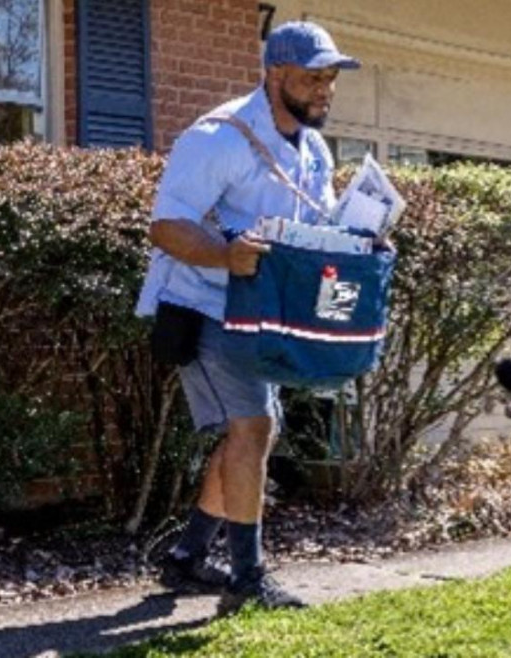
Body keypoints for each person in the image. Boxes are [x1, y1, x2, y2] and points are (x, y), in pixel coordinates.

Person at [135, 21, 359, 614]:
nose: (325, 90)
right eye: (313, 77)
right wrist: (224, 256)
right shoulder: (218, 137)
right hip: (202, 303)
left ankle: (187, 557)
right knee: (254, 429)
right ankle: (247, 577)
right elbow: (165, 226)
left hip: (259, 314)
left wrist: (364, 240)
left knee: (255, 431)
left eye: (331, 79)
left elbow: (319, 230)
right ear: (275, 73)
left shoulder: (312, 149)